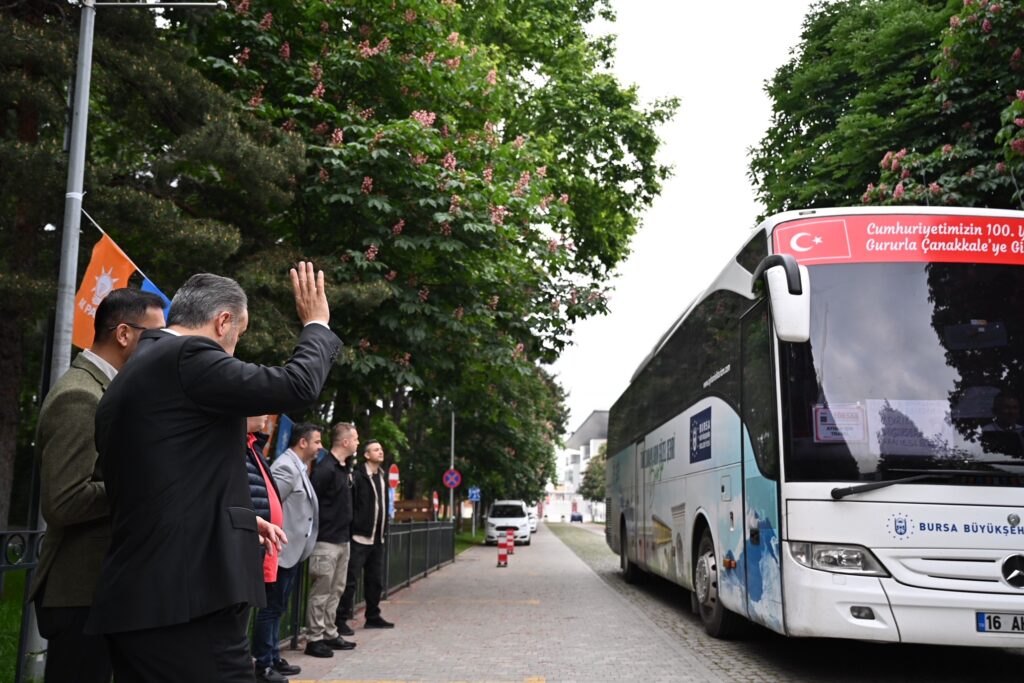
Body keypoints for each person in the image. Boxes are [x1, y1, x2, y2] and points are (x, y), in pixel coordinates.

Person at [86, 263, 340, 683]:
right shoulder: (187, 356)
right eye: (238, 334)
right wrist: (316, 324)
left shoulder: (137, 371)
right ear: (223, 322)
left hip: (143, 597)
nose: (234, 348)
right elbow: (296, 387)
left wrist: (234, 518)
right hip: (186, 604)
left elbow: (158, 481)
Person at [28, 288, 166, 683]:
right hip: (79, 593)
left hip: (99, 589)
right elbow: (63, 500)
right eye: (153, 337)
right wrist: (142, 488)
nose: (159, 348)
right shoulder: (80, 396)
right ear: (124, 334)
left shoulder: (107, 391)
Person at [255, 423, 329, 670]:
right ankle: (265, 662)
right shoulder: (286, 466)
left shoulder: (298, 466)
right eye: (317, 442)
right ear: (303, 442)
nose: (321, 447)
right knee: (271, 607)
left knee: (278, 607)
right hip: (280, 550)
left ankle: (274, 656)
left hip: (290, 550)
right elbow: (271, 505)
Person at [245, 416, 300, 682]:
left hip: (265, 543)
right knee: (262, 609)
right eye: (261, 409)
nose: (267, 415)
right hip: (248, 545)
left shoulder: (253, 445)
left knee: (272, 605)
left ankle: (265, 660)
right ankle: (262, 664)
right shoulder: (234, 446)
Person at [306, 422, 359, 652]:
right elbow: (312, 501)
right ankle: (314, 638)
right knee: (321, 592)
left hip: (342, 539)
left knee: (336, 589)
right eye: (355, 438)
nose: (358, 442)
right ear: (345, 442)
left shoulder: (343, 468)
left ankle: (329, 632)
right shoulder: (325, 468)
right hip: (326, 540)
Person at [338, 439, 394, 631]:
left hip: (377, 538)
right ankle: (341, 619)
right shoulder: (358, 477)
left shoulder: (382, 476)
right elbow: (352, 505)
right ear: (366, 455)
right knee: (350, 580)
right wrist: (353, 528)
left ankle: (373, 615)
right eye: (375, 449)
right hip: (359, 537)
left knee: (375, 580)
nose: (380, 452)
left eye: (381, 448)